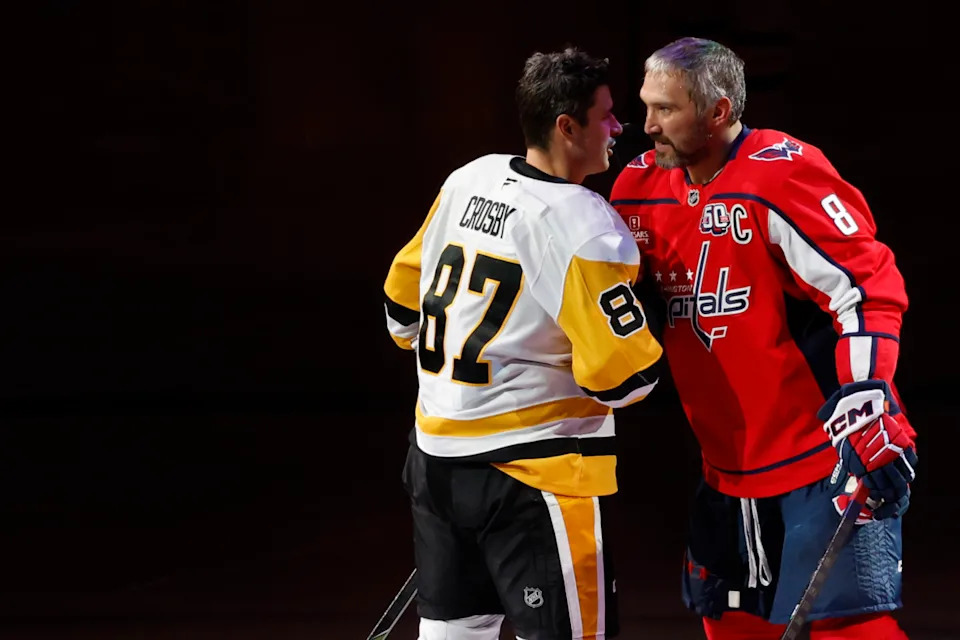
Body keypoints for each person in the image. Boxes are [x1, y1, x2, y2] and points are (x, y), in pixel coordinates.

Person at [609, 37, 918, 640]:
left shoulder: (783, 174)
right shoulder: (636, 191)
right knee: (732, 628)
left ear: (718, 112)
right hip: (725, 469)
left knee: (852, 633)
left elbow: (867, 283)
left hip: (822, 462)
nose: (647, 126)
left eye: (665, 110)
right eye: (645, 106)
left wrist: (867, 395)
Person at [382, 47, 663, 640]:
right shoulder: (583, 221)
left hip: (434, 466)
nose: (619, 127)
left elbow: (401, 311)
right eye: (607, 115)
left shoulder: (469, 178)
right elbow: (625, 378)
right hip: (531, 475)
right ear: (567, 126)